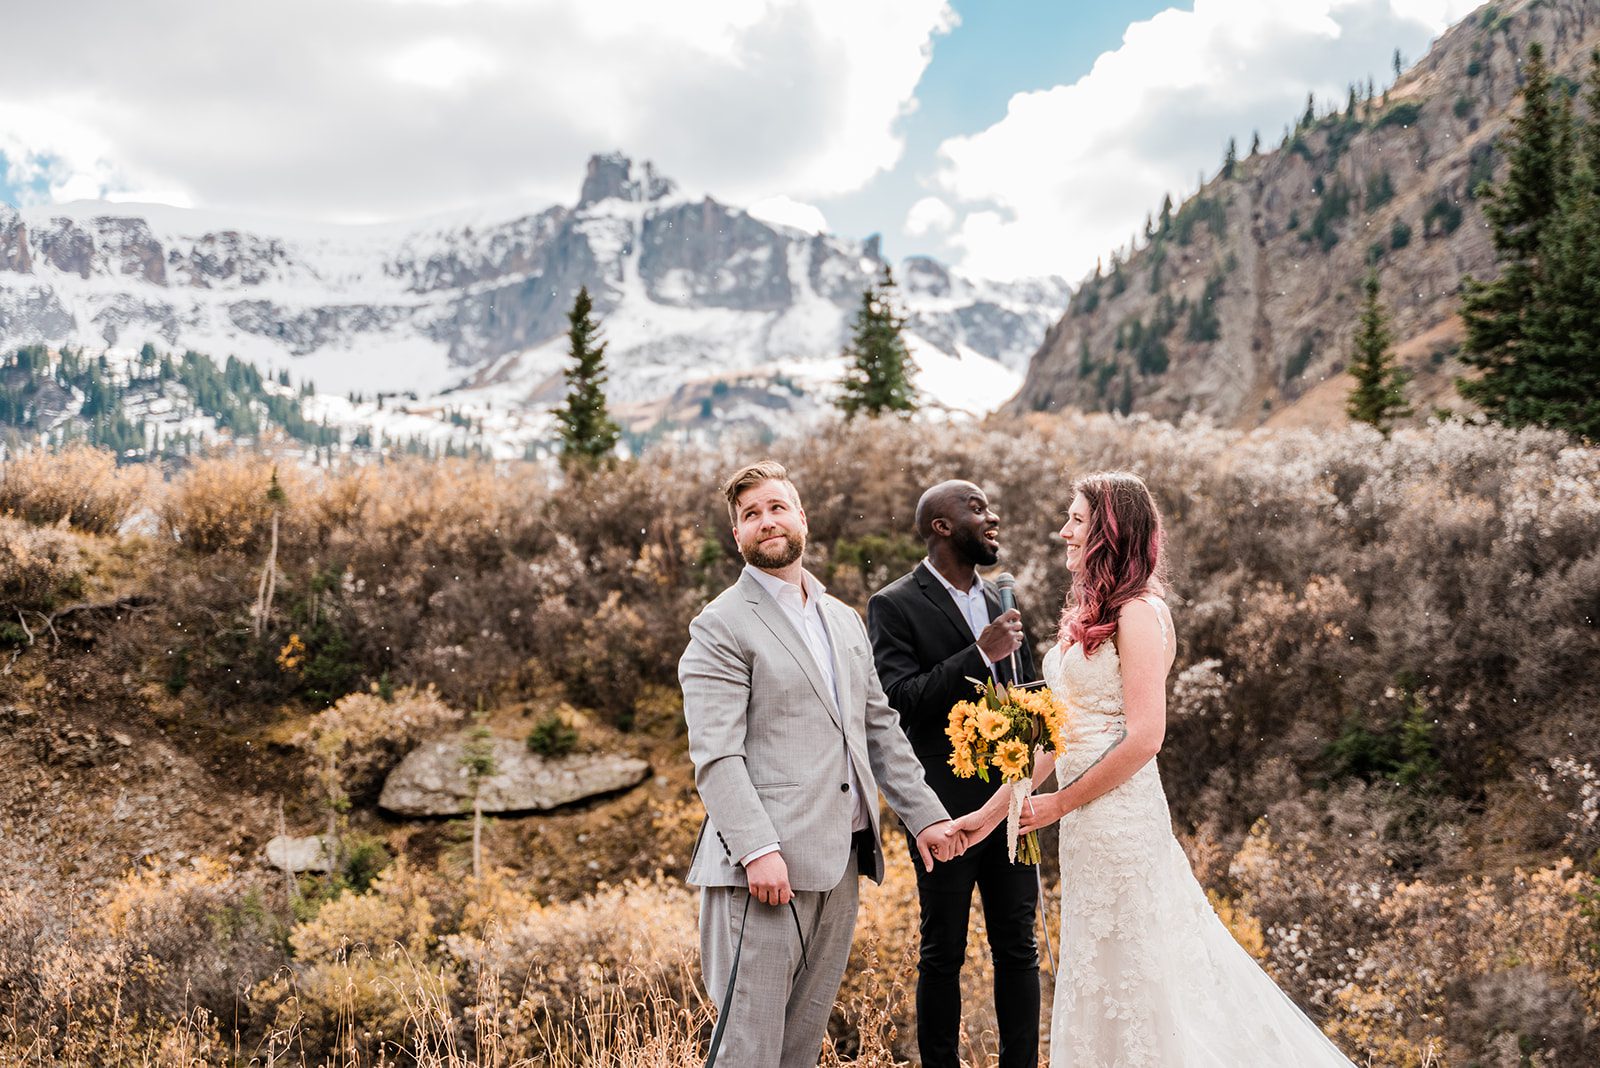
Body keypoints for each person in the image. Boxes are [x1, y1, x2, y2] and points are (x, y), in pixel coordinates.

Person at [957, 471, 1357, 1067]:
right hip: (1086, 829)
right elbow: (1054, 739)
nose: (1062, 531)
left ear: (1108, 533)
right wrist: (991, 817)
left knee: (1144, 972)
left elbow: (1146, 737)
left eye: (1076, 520)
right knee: (1100, 968)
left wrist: (1060, 804)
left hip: (1122, 820)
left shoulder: (1141, 613)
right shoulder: (1084, 615)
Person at [680, 459, 969, 1068]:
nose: (766, 522)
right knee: (747, 1055)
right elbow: (716, 756)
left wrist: (929, 819)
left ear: (802, 518)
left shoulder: (842, 619)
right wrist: (758, 849)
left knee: (798, 1053)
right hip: (759, 877)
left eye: (776, 507)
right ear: (737, 536)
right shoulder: (719, 626)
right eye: (750, 515)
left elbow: (878, 729)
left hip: (841, 866)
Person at [866, 479, 1041, 1068]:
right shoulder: (895, 604)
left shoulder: (1003, 598)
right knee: (943, 949)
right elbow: (899, 702)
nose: (991, 518)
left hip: (1015, 803)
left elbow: (1032, 690)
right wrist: (977, 655)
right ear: (940, 526)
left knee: (1018, 947)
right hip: (944, 810)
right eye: (976, 508)